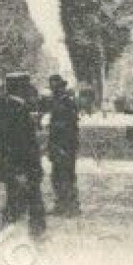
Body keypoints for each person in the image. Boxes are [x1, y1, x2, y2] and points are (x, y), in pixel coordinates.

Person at [0, 73, 46, 240]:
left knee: (16, 204)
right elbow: (17, 144)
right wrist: (20, 171)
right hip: (22, 167)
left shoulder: (9, 108)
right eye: (27, 87)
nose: (30, 91)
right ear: (21, 89)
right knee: (27, 201)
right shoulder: (17, 110)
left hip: (17, 166)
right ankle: (36, 233)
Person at [46, 74, 81, 217]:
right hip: (57, 144)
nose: (54, 90)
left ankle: (71, 207)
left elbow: (70, 126)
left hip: (65, 145)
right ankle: (61, 204)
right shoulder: (56, 101)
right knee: (57, 176)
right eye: (52, 87)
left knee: (66, 175)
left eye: (56, 87)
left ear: (61, 87)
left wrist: (62, 146)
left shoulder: (67, 102)